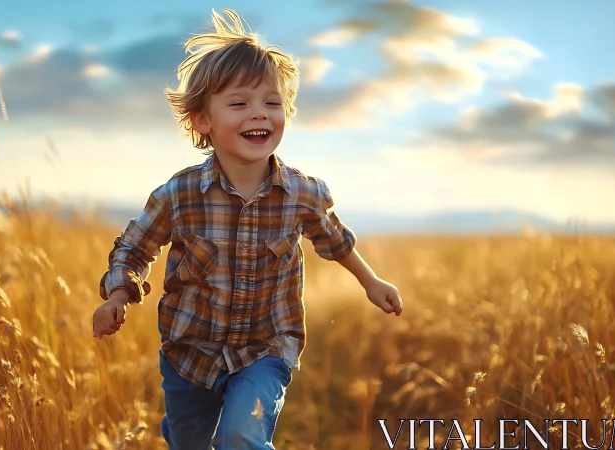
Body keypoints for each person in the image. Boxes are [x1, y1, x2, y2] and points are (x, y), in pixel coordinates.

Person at [92, 9, 404, 450]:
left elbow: (333, 238)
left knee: (241, 435)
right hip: (189, 356)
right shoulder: (179, 194)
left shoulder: (301, 193)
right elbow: (135, 248)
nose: (259, 114)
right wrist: (119, 295)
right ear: (203, 120)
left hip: (266, 351)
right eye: (239, 104)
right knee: (189, 443)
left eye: (272, 103)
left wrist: (371, 282)